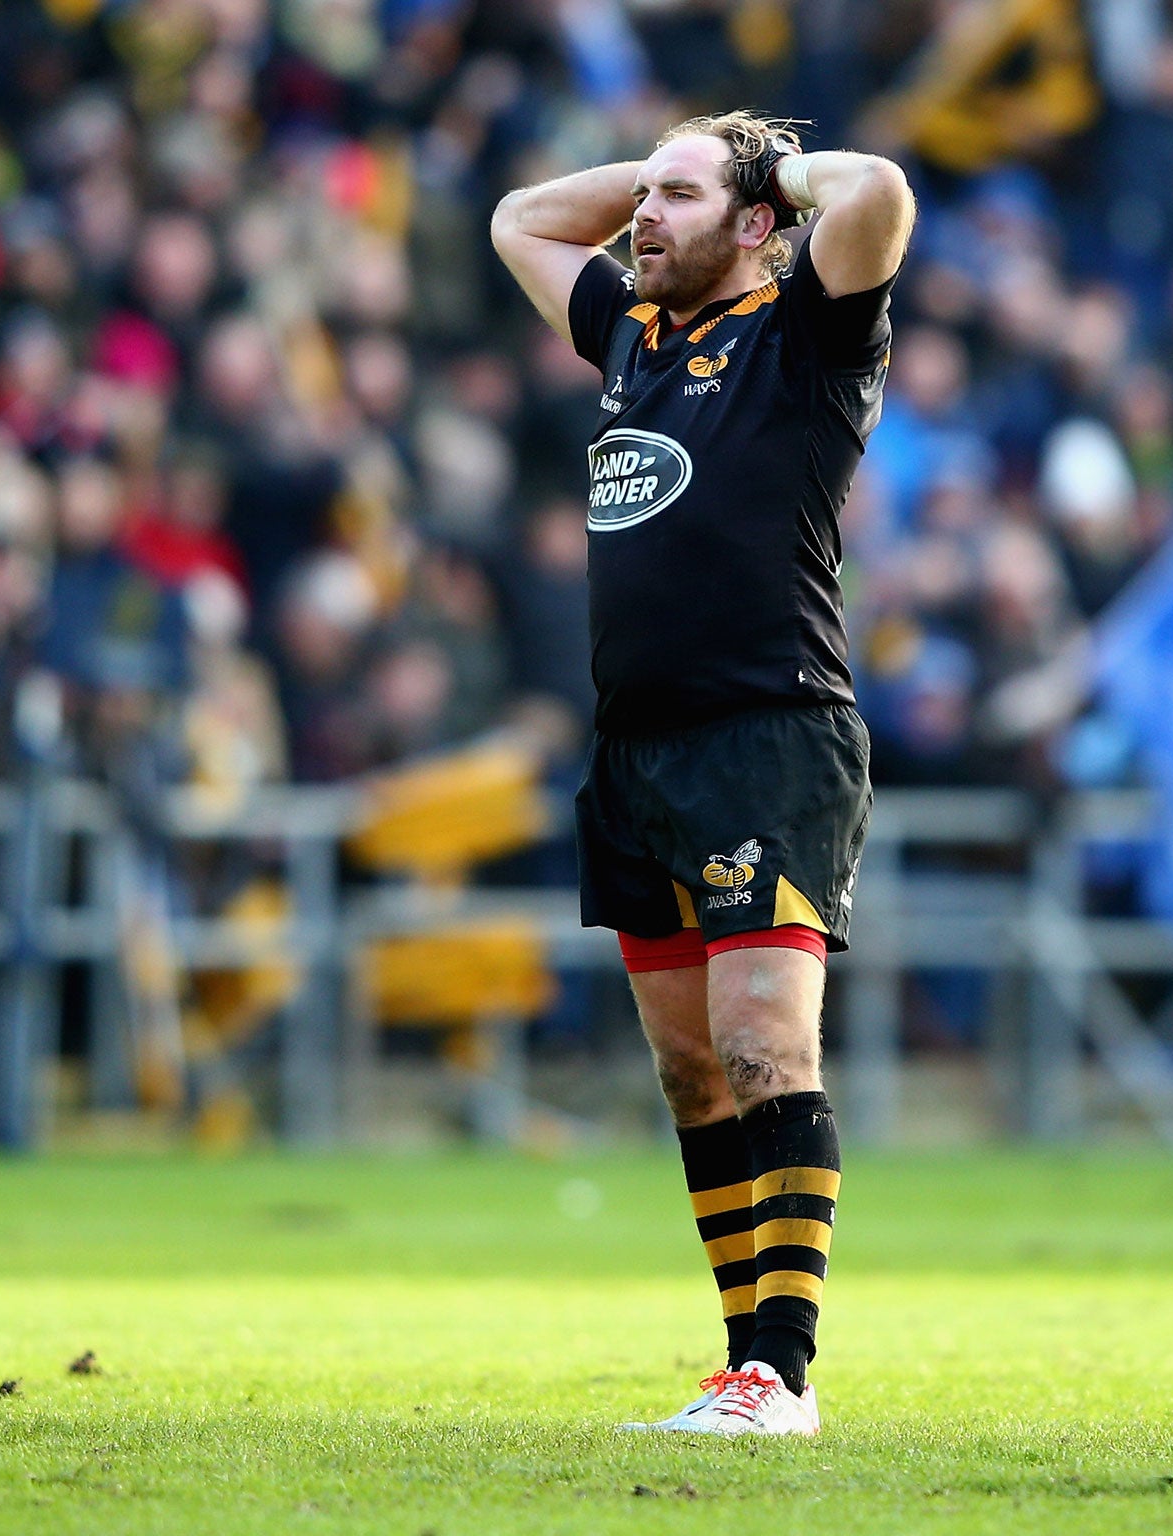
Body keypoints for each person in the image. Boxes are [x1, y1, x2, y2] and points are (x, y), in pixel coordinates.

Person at [491, 112, 914, 1436]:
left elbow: (882, 190)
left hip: (767, 736)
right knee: (691, 1076)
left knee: (762, 1044)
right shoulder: (631, 328)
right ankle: (740, 1365)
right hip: (636, 752)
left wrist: (758, 178)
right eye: (640, 199)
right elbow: (517, 218)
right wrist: (673, 179)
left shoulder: (805, 333)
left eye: (676, 199)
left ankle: (783, 1373)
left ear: (757, 226)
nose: (639, 219)